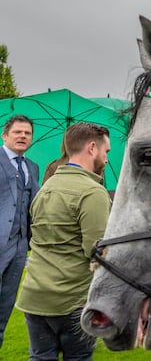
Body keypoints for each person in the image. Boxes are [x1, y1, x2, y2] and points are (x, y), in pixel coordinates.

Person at [15, 122, 111, 360]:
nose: (106, 159)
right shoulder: (92, 192)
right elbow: (98, 252)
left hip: (35, 295)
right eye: (105, 151)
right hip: (71, 301)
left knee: (39, 357)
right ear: (91, 148)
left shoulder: (46, 188)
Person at [0, 115, 40, 349]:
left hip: (19, 247)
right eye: (18, 132)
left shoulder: (32, 166)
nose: (23, 136)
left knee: (5, 306)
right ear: (5, 135)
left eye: (27, 133)